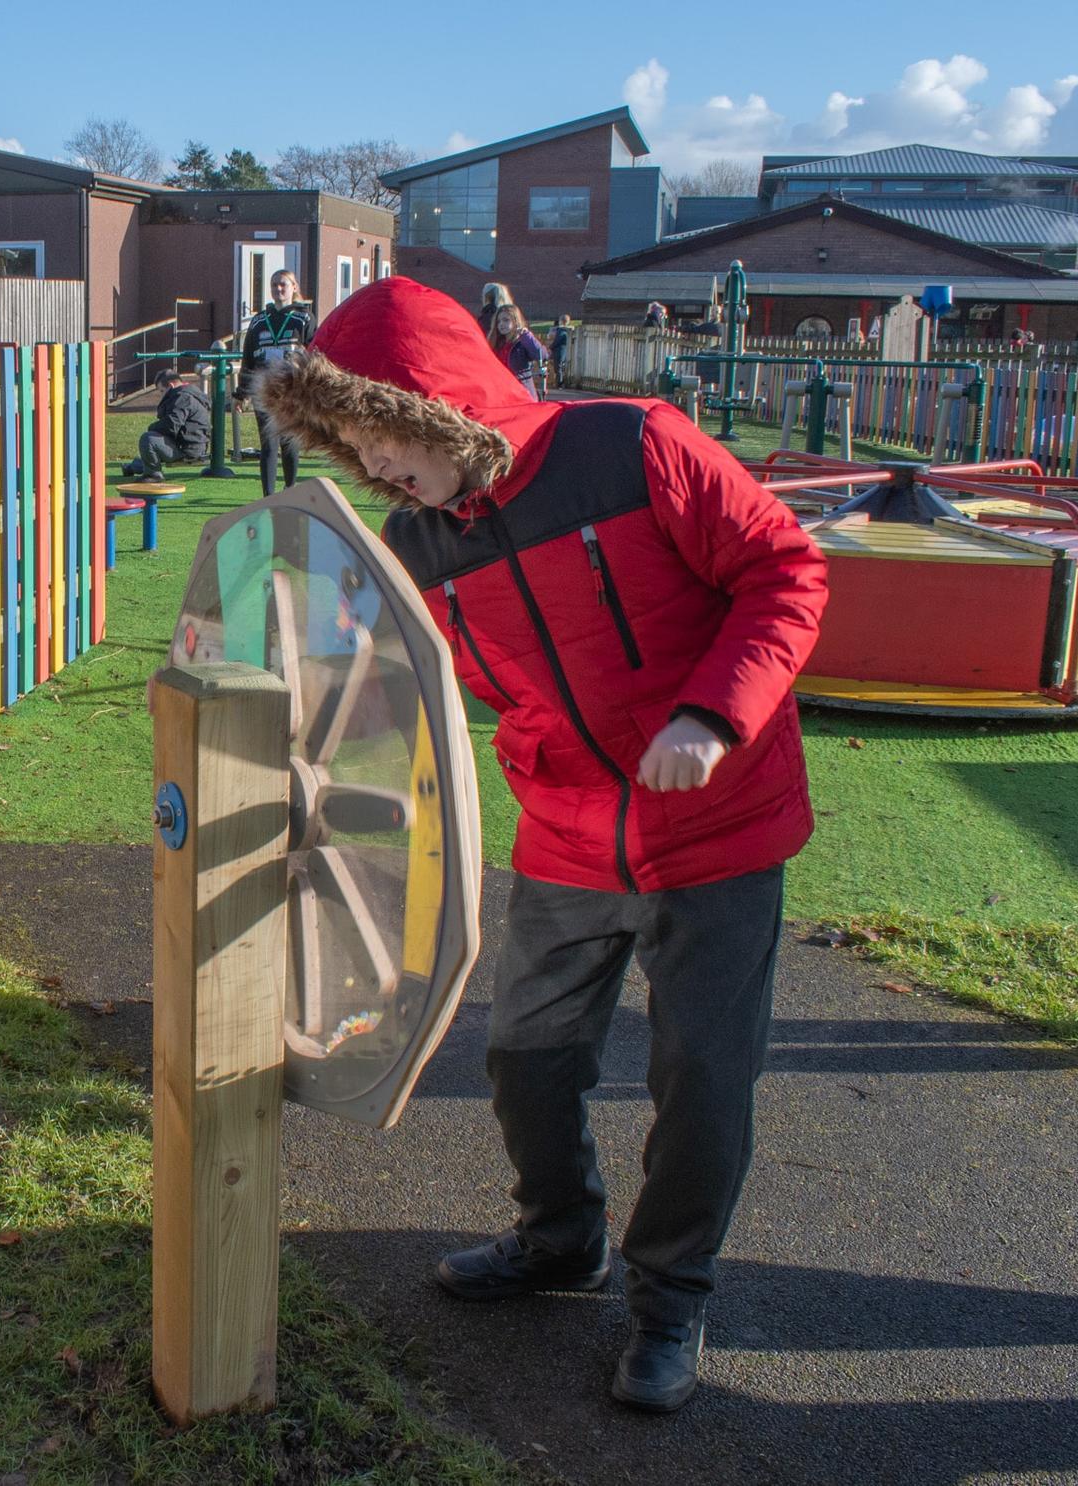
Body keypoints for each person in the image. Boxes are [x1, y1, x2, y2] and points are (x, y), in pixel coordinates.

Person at [257, 276, 827, 1415]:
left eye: (386, 440)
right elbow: (371, 680)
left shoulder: (636, 446)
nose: (376, 471)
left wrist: (710, 715)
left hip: (717, 822)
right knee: (525, 1056)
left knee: (702, 1080)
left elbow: (787, 571)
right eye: (352, 448)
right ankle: (561, 1239)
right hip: (567, 830)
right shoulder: (416, 542)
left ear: (440, 404)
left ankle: (671, 1300)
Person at [237, 270, 314, 495]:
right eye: (274, 285)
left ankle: (290, 488)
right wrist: (242, 392)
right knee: (268, 444)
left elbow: (315, 354)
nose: (278, 289)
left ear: (293, 288)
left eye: (283, 285)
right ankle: (268, 497)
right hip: (265, 390)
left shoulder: (305, 319)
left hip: (292, 390)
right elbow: (248, 357)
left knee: (289, 441)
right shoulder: (260, 321)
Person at [122, 368, 210, 480]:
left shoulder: (182, 398)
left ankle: (153, 475)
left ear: (171, 385)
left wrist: (152, 428)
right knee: (152, 446)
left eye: (162, 391)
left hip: (187, 449)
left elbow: (172, 424)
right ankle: (132, 467)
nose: (162, 395)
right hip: (193, 445)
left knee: (148, 439)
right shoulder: (191, 394)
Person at [490, 304, 547, 397]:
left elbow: (541, 356)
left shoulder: (522, 343)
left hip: (522, 393)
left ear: (515, 321)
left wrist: (527, 337)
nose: (501, 324)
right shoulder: (496, 344)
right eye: (498, 321)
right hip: (502, 393)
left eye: (506, 320)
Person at [548, 313, 572, 387]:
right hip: (564, 351)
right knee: (560, 367)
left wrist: (551, 347)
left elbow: (557, 341)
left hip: (559, 351)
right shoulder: (568, 330)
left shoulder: (561, 331)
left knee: (558, 368)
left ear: (561, 321)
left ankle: (559, 384)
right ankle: (559, 383)